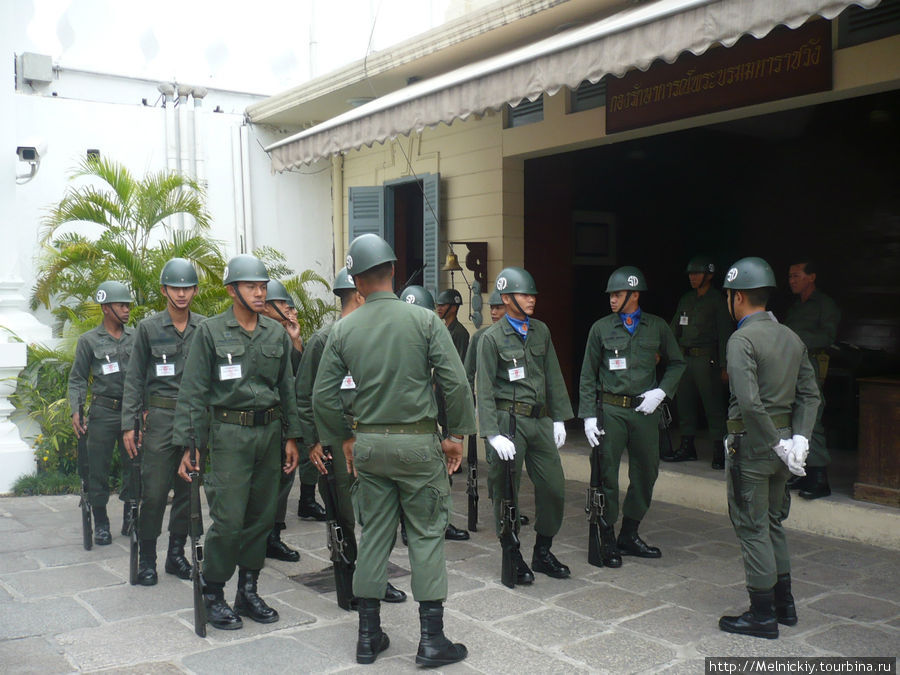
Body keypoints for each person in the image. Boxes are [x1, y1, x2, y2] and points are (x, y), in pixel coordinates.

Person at [313, 234, 475, 667]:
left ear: (357, 281)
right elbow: (456, 383)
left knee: (375, 537)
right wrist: (455, 436)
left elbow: (323, 397)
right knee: (425, 534)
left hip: (368, 446)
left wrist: (344, 438)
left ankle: (368, 637)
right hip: (418, 445)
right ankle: (431, 640)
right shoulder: (425, 321)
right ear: (392, 272)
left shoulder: (344, 329)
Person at [174, 254, 301, 631]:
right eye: (251, 286)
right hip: (229, 436)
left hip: (269, 433)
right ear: (232, 290)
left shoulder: (275, 333)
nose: (260, 293)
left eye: (262, 286)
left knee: (260, 518)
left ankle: (248, 590)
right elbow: (194, 391)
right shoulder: (210, 332)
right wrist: (189, 445)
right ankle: (213, 592)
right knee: (228, 520)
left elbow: (287, 390)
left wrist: (292, 436)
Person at [719, 257, 819, 639]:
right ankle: (784, 604)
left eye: (729, 296)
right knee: (774, 522)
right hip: (783, 448)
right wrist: (800, 439)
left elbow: (748, 400)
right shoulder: (791, 336)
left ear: (738, 297)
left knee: (752, 526)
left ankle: (761, 614)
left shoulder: (741, 339)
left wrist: (774, 443)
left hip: (754, 447)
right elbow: (810, 394)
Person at [302, 268, 406, 605]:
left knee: (379, 513)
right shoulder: (323, 340)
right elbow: (306, 395)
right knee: (344, 516)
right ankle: (348, 580)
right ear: (359, 295)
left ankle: (374, 578)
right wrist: (314, 441)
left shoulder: (375, 336)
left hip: (373, 435)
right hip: (337, 438)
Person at [578, 266, 685, 564]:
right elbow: (587, 375)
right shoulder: (600, 328)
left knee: (646, 471)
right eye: (611, 294)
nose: (612, 299)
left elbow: (677, 363)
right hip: (610, 409)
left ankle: (630, 532)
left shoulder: (657, 327)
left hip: (644, 409)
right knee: (606, 471)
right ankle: (607, 534)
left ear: (635, 295)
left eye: (618, 294)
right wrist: (588, 416)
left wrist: (661, 393)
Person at [476, 267, 573, 585]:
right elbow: (485, 389)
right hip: (508, 422)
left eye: (532, 295)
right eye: (524, 295)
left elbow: (553, 375)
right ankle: (512, 552)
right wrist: (491, 434)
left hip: (540, 420)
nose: (531, 300)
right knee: (505, 492)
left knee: (554, 488)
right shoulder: (491, 338)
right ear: (507, 298)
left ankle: (543, 551)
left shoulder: (541, 332)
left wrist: (559, 417)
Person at [121, 259, 205, 585]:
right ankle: (147, 558)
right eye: (175, 288)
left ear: (195, 290)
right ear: (164, 290)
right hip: (160, 419)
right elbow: (134, 378)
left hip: (195, 419)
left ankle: (175, 555)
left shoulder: (205, 328)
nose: (181, 294)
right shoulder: (148, 328)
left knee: (188, 493)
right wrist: (129, 423)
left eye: (187, 288)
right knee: (154, 493)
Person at [68, 280, 136, 546]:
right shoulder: (89, 341)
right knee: (97, 469)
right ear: (106, 308)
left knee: (134, 466)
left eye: (128, 305)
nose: (127, 310)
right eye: (122, 305)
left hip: (130, 411)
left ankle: (131, 516)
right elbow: (77, 379)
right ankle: (101, 522)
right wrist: (76, 409)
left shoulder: (136, 337)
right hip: (103, 412)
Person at [261, 278, 324, 564]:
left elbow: (296, 378)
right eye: (284, 304)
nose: (290, 308)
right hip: (261, 418)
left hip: (283, 416)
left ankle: (272, 536)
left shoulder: (282, 333)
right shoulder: (261, 333)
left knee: (284, 476)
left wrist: (296, 340)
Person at [666, 256, 732, 469]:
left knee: (713, 405)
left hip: (707, 358)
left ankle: (719, 450)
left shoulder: (717, 301)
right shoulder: (687, 299)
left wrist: (725, 365)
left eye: (697, 273)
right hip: (685, 358)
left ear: (709, 275)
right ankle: (687, 445)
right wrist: (665, 351)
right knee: (684, 402)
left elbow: (724, 333)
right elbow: (674, 327)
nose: (693, 277)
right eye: (691, 274)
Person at [784, 259, 841, 500]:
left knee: (812, 417)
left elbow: (828, 336)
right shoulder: (795, 307)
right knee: (793, 414)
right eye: (790, 277)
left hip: (813, 366)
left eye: (796, 275)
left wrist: (796, 337)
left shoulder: (825, 305)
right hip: (791, 367)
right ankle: (802, 471)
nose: (792, 281)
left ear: (812, 277)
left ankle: (819, 477)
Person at [464, 289, 506, 391]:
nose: (493, 312)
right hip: (489, 397)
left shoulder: (520, 334)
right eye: (491, 308)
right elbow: (468, 373)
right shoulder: (480, 336)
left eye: (498, 308)